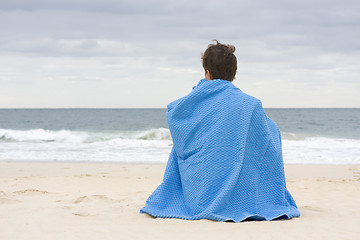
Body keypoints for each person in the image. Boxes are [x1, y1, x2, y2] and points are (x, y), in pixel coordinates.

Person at [140, 40, 300, 222]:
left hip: (199, 189)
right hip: (242, 189)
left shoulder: (189, 104)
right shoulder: (250, 104)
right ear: (233, 73)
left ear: (207, 72)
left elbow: (179, 132)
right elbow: (267, 141)